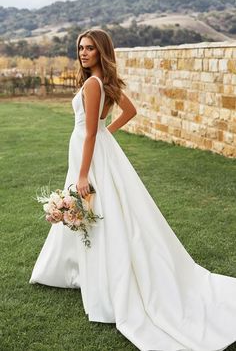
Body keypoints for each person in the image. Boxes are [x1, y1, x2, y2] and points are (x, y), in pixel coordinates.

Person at [29, 29, 236, 351]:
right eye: (80, 48)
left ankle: (107, 279)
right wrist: (104, 134)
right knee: (96, 212)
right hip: (97, 150)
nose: (83, 53)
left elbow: (89, 134)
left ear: (102, 52)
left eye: (90, 49)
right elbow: (126, 114)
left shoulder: (92, 84)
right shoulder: (104, 82)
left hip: (91, 155)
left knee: (96, 210)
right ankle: (77, 269)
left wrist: (84, 172)